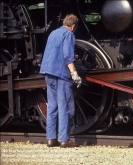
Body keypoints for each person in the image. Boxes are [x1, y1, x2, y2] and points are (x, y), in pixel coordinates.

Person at [39, 14, 81, 148]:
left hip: (48, 73)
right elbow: (68, 56)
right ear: (73, 26)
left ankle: (51, 139)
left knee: (52, 107)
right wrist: (74, 73)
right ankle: (64, 140)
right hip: (61, 74)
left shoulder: (53, 33)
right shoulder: (69, 35)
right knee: (65, 107)